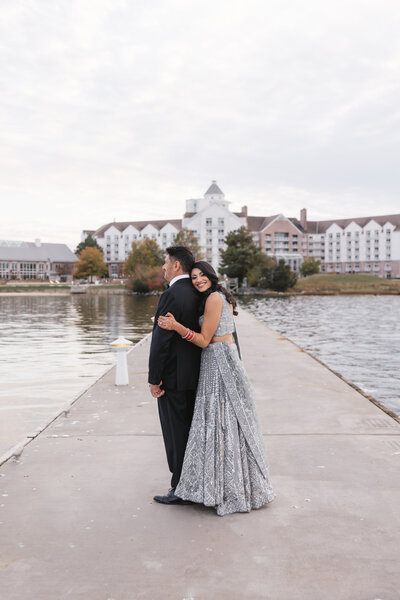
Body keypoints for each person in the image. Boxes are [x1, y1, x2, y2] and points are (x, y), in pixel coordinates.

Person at [158, 261, 276, 516]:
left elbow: (202, 340)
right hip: (224, 357)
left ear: (212, 276)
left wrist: (176, 326)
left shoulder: (213, 298)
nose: (199, 280)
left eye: (203, 276)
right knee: (225, 424)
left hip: (218, 361)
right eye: (195, 277)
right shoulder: (221, 296)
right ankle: (227, 484)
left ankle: (222, 488)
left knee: (219, 422)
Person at [149, 246, 202, 505]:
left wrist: (154, 378)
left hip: (173, 378)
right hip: (198, 375)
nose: (163, 267)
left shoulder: (171, 294)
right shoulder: (199, 291)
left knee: (176, 434)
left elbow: (161, 341)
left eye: (166, 262)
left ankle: (180, 488)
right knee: (193, 431)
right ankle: (196, 482)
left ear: (176, 265)